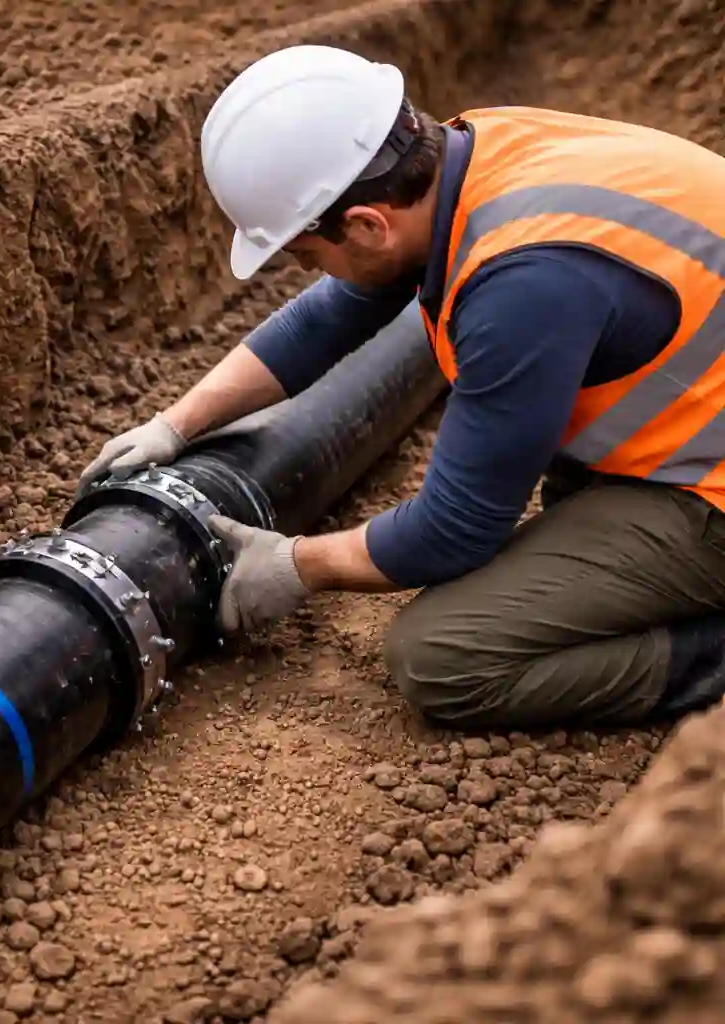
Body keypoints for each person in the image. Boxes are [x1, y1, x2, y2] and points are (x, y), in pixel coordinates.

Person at [75, 43, 725, 732]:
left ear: (365, 225)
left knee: (442, 655)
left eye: (304, 253)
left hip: (707, 486)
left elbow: (456, 530)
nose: (306, 272)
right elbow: (333, 314)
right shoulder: (478, 151)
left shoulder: (522, 287)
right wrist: (177, 423)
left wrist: (297, 565)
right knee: (560, 490)